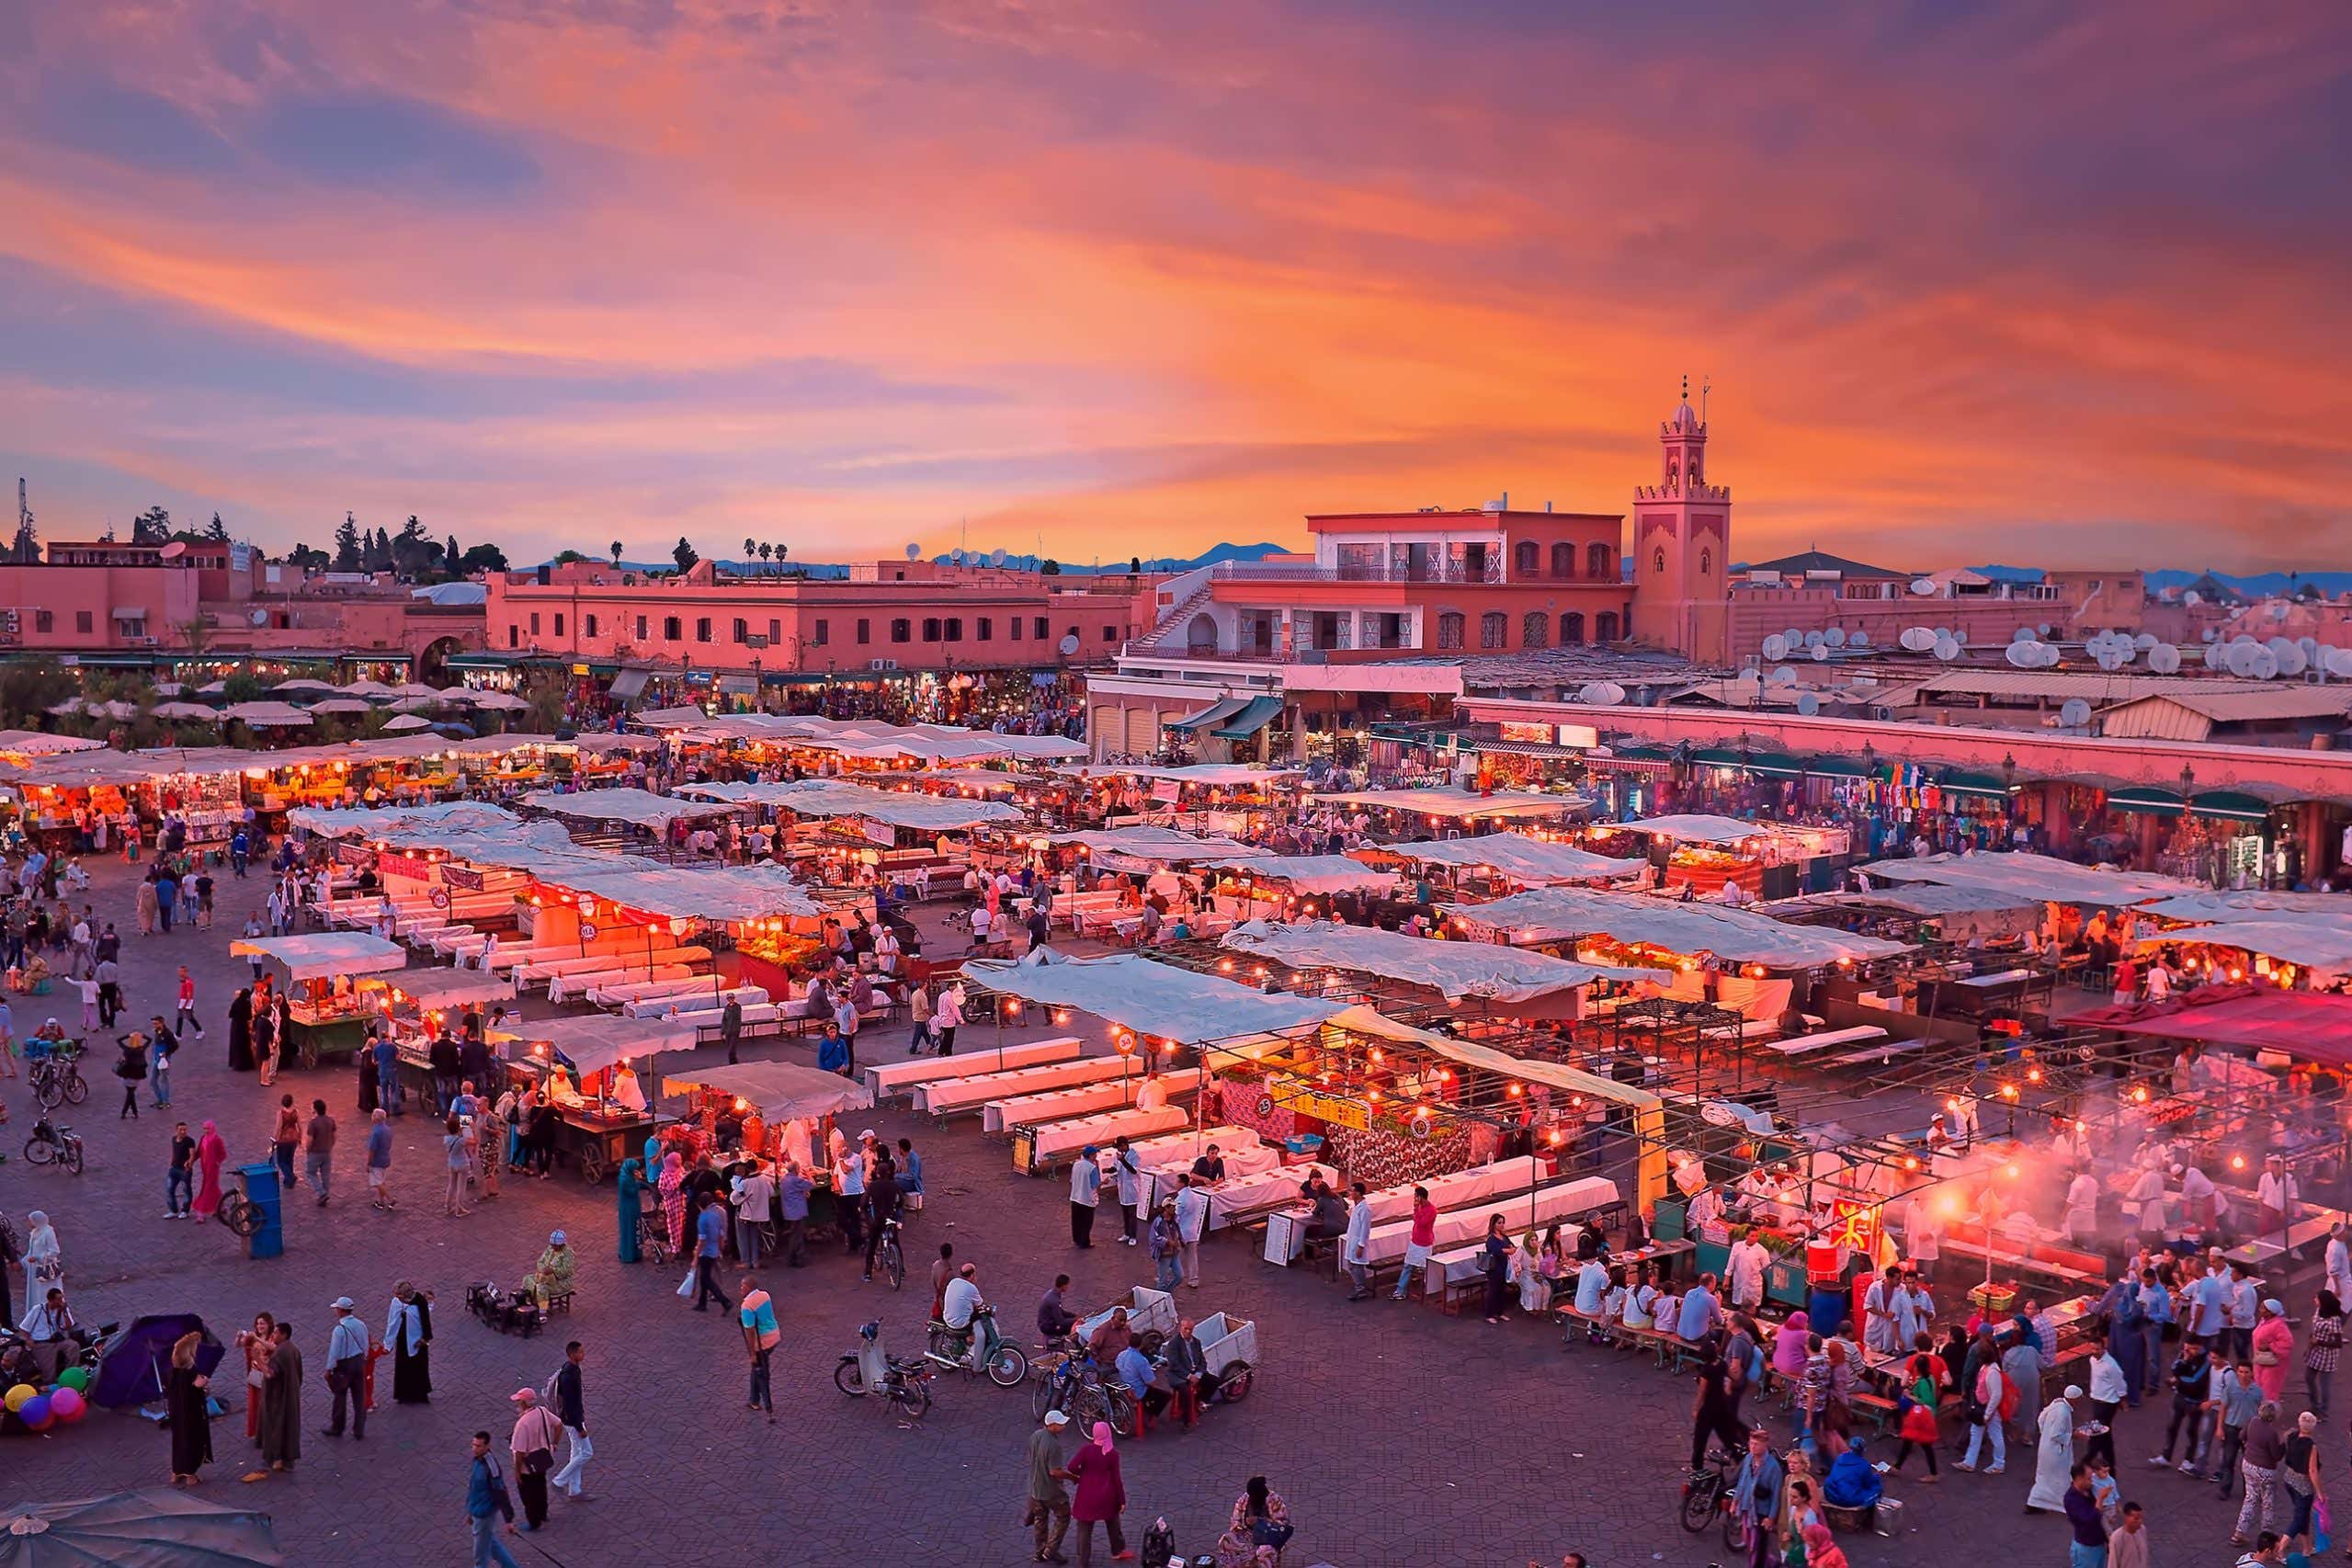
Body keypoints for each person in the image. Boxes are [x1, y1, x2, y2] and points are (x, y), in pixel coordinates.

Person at [1065, 1419, 1128, 1568]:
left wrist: (1082, 1474)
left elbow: (1071, 1466)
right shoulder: (1112, 1454)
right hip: (1108, 1496)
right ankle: (1117, 1550)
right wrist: (1122, 1500)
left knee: (1084, 1529)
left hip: (1086, 1495)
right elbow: (1116, 1479)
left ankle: (1083, 1561)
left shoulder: (1086, 1450)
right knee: (1113, 1524)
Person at [508, 1388, 562, 1533]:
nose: (518, 1403)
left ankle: (534, 1521)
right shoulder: (543, 1412)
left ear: (524, 1403)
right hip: (542, 1459)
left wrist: (517, 1472)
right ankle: (543, 1514)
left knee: (528, 1495)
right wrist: (554, 1444)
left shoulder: (522, 1424)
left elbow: (519, 1452)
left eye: (519, 1401)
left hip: (527, 1465)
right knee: (540, 1487)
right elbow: (558, 1425)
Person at [467, 1430, 522, 1568]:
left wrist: (508, 1519)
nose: (474, 1449)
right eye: (473, 1445)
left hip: (484, 1514)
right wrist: (470, 1512)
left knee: (480, 1556)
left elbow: (501, 1493)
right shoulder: (477, 1461)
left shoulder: (491, 1467)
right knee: (491, 1544)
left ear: (487, 1446)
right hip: (477, 1511)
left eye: (478, 1446)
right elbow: (474, 1489)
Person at [1730, 1428, 1783, 1568]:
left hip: (1761, 1511)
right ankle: (1771, 1563)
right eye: (1751, 1443)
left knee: (1758, 1545)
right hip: (1748, 1506)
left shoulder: (1773, 1467)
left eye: (1756, 1444)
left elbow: (1776, 1495)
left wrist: (1771, 1518)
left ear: (1765, 1445)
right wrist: (1735, 1501)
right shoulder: (1748, 1459)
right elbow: (1742, 1480)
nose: (1753, 1447)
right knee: (1749, 1542)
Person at [165, 1330, 212, 1487]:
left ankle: (176, 1472)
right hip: (190, 1413)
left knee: (178, 1440)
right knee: (192, 1440)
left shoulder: (172, 1372)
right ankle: (190, 1475)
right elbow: (198, 1386)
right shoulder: (190, 1372)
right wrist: (204, 1383)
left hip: (176, 1412)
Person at [1028, 1410, 1075, 1563]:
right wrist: (1073, 1477)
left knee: (1040, 1521)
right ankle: (1050, 1550)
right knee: (1064, 1516)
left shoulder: (1035, 1436)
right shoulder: (1054, 1445)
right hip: (1051, 1491)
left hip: (1035, 1488)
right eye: (1061, 1424)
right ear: (1053, 1425)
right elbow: (1055, 1472)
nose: (1064, 1426)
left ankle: (1039, 1552)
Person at [1214, 1476, 1294, 1567]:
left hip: (1268, 1538)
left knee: (1265, 1551)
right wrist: (1240, 1542)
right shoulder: (1244, 1500)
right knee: (1226, 1539)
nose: (1251, 1498)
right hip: (1248, 1536)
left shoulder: (1275, 1501)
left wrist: (1260, 1521)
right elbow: (1236, 1522)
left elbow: (1282, 1526)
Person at [2027, 1384, 2083, 1511]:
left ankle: (2035, 1503)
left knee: (2044, 1479)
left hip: (2046, 1449)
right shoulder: (2063, 1412)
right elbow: (2056, 1435)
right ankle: (2063, 1505)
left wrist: (2044, 1433)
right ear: (2073, 1399)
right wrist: (2074, 1435)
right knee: (2060, 1479)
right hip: (2055, 1453)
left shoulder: (2056, 1404)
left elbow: (2041, 1419)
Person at [550, 1340, 591, 1503]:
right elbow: (570, 1403)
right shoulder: (569, 1376)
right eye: (580, 1352)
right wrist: (579, 1426)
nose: (583, 1354)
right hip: (572, 1420)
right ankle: (559, 1481)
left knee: (576, 1453)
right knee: (587, 1453)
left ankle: (575, 1490)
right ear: (572, 1354)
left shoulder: (572, 1370)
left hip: (572, 1418)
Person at [321, 1297, 366, 1440]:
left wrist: (329, 1369)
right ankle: (359, 1429)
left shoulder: (339, 1330)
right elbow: (365, 1344)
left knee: (340, 1395)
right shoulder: (361, 1324)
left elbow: (334, 1352)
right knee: (359, 1397)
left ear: (340, 1310)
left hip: (345, 1365)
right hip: (359, 1362)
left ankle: (337, 1427)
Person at [259, 1320, 302, 1471]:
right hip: (292, 1394)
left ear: (284, 1335)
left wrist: (259, 1361)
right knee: (290, 1427)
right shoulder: (294, 1350)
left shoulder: (280, 1353)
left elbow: (270, 1375)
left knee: (276, 1427)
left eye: (276, 1332)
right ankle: (288, 1460)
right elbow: (299, 1374)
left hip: (278, 1398)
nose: (273, 1335)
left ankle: (276, 1459)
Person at [741, 1273, 778, 1419]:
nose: (740, 1289)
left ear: (748, 1287)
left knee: (761, 1372)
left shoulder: (747, 1306)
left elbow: (749, 1332)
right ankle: (754, 1400)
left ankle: (768, 1408)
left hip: (763, 1343)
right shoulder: (765, 1295)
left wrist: (752, 1353)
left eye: (742, 1286)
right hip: (775, 1336)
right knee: (756, 1369)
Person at [387, 1283, 433, 1404]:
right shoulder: (397, 1302)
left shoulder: (420, 1301)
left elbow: (426, 1320)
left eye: (399, 1295)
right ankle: (403, 1395)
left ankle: (421, 1395)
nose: (397, 1297)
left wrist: (424, 1339)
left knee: (420, 1367)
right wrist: (389, 1342)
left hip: (418, 1341)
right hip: (403, 1339)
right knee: (403, 1367)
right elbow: (392, 1321)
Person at [2063, 1463, 2109, 1568]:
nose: (2092, 1481)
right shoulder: (2071, 1499)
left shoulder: (2089, 1490)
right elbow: (2090, 1520)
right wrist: (2100, 1500)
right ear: (2079, 1478)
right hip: (2086, 1549)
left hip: (2098, 1544)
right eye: (2089, 1478)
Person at [693, 1192, 731, 1312]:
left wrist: (695, 1256)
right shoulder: (716, 1215)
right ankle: (702, 1303)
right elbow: (721, 1234)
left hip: (705, 1252)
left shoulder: (702, 1218)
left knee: (706, 1279)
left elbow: (701, 1239)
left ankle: (724, 1301)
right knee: (704, 1277)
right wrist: (720, 1248)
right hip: (714, 1250)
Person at [524, 1231, 575, 1307]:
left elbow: (567, 1271)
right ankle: (530, 1303)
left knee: (541, 1288)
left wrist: (553, 1270)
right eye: (552, 1245)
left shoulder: (568, 1254)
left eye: (555, 1245)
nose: (553, 1247)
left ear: (561, 1245)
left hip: (561, 1282)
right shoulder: (550, 1249)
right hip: (545, 1277)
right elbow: (540, 1262)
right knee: (527, 1279)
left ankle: (542, 1311)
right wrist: (543, 1269)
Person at [1175, 1174, 1209, 1289]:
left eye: (1177, 1182)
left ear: (1182, 1183)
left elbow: (1176, 1215)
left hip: (1182, 1232)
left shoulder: (1180, 1199)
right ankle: (1193, 1279)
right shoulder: (1195, 1197)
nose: (1175, 1184)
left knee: (1173, 1256)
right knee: (1192, 1257)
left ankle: (1168, 1277)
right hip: (1193, 1231)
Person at [1343, 1182, 1374, 1301]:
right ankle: (1359, 1286)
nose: (1350, 1193)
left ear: (1358, 1193)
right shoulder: (1357, 1206)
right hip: (1353, 1239)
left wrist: (1361, 1245)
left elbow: (1365, 1229)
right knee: (1353, 1264)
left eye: (1352, 1191)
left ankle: (1360, 1288)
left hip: (1358, 1242)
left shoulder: (1365, 1209)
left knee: (1356, 1265)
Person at [302, 1098, 336, 1207]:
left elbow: (309, 1140)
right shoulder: (330, 1121)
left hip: (315, 1152)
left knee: (310, 1172)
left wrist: (307, 1150)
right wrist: (330, 1145)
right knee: (325, 1175)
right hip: (327, 1151)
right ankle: (325, 1196)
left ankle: (321, 1193)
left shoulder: (313, 1123)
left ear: (315, 1110)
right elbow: (335, 1136)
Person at [1110, 1138, 1142, 1246]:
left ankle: (1133, 1236)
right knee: (1124, 1212)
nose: (1118, 1149)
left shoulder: (1134, 1155)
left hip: (1131, 1188)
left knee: (1132, 1213)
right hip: (1123, 1188)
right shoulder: (1118, 1155)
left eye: (1119, 1147)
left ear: (1124, 1145)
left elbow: (1133, 1170)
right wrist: (1109, 1170)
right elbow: (1116, 1168)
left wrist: (1123, 1160)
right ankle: (1127, 1233)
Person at [1069, 1144, 1101, 1248]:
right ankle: (1084, 1242)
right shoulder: (1092, 1168)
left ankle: (1077, 1239)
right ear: (1091, 1155)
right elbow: (1095, 1184)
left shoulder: (1076, 1164)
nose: (1096, 1156)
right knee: (1086, 1222)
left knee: (1076, 1221)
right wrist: (1104, 1182)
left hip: (1075, 1197)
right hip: (1087, 1199)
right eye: (1095, 1154)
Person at [616, 1155, 645, 1263]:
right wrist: (638, 1181)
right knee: (629, 1230)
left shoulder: (628, 1176)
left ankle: (635, 1253)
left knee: (635, 1229)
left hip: (632, 1207)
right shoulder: (624, 1180)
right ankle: (628, 1255)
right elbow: (632, 1191)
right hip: (628, 1209)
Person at [165, 1121, 197, 1220]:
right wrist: (171, 1161)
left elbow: (192, 1155)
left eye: (185, 1129)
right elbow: (174, 1151)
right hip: (174, 1169)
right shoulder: (174, 1139)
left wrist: (189, 1163)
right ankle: (173, 1210)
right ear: (176, 1130)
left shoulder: (190, 1141)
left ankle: (185, 1211)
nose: (183, 1132)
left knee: (186, 1190)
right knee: (169, 1189)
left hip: (184, 1170)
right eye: (181, 1130)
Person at [365, 1108, 395, 1210]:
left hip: (377, 1160)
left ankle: (391, 1199)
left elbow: (372, 1150)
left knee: (377, 1182)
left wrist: (368, 1163)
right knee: (381, 1181)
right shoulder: (387, 1129)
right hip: (385, 1158)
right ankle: (381, 1201)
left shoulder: (376, 1132)